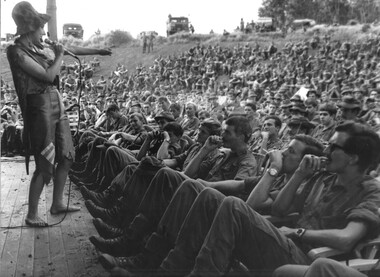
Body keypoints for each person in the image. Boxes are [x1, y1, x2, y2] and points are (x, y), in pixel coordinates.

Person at [6, 1, 111, 227]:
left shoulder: (39, 46)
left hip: (57, 103)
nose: (44, 32)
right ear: (29, 28)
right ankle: (32, 213)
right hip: (39, 108)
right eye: (41, 28)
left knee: (67, 155)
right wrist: (60, 56)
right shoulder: (16, 51)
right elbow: (46, 75)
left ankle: (57, 203)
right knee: (45, 162)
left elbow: (66, 49)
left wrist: (98, 51)